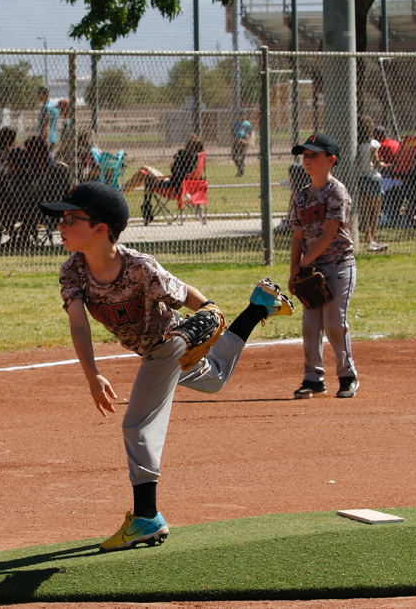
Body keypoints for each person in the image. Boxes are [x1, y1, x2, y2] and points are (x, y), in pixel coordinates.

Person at [38, 181, 293, 552]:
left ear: (100, 228)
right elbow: (78, 324)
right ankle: (258, 307)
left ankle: (146, 516)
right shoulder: (73, 271)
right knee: (215, 379)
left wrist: (211, 309)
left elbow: (188, 295)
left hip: (172, 342)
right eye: (61, 219)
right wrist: (92, 374)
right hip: (156, 351)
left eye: (70, 219)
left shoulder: (140, 267)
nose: (60, 225)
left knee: (137, 423)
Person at [288, 134, 359, 400]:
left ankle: (347, 376)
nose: (307, 159)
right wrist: (295, 271)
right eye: (305, 155)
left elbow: (329, 233)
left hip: (338, 266)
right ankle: (313, 378)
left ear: (331, 160)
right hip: (310, 271)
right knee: (310, 325)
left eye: (314, 155)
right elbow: (297, 237)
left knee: (334, 323)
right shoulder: (302, 196)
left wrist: (304, 263)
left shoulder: (336, 192)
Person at [355, 115, 386, 251]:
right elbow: (375, 162)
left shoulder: (357, 145)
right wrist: (383, 164)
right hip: (373, 178)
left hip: (361, 178)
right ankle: (372, 239)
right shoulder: (373, 144)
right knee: (375, 211)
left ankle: (368, 239)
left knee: (365, 211)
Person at [230, 110, 253, 176]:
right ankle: (240, 167)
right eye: (241, 114)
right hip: (237, 139)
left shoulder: (247, 124)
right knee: (234, 156)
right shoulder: (236, 123)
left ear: (245, 115)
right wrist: (235, 139)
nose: (242, 116)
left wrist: (248, 141)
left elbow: (250, 133)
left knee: (242, 157)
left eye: (244, 114)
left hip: (244, 139)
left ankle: (241, 171)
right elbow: (232, 131)